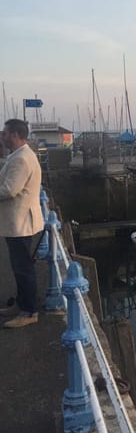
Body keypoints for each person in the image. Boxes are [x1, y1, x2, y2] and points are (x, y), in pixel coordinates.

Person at [0, 119, 43, 328]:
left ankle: (29, 312)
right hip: (19, 222)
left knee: (23, 268)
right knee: (20, 267)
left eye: (5, 133)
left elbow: (9, 189)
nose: (3, 137)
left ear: (15, 134)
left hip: (20, 223)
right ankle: (21, 304)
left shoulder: (21, 159)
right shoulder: (21, 155)